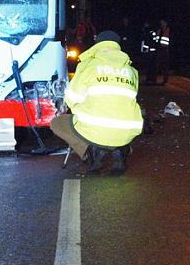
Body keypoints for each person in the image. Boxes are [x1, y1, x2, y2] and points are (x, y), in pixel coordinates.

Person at [50, 30, 143, 174]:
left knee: (57, 123)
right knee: (121, 114)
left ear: (97, 44)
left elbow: (73, 98)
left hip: (95, 129)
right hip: (128, 129)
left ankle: (90, 152)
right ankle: (121, 152)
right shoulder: (131, 69)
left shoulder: (89, 65)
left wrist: (77, 110)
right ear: (117, 46)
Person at [152, 18, 171, 85]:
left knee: (165, 66)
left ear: (166, 23)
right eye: (161, 22)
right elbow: (156, 40)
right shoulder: (159, 30)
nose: (161, 24)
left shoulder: (168, 30)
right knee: (157, 65)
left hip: (165, 50)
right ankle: (154, 79)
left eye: (163, 22)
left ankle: (165, 81)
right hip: (159, 50)